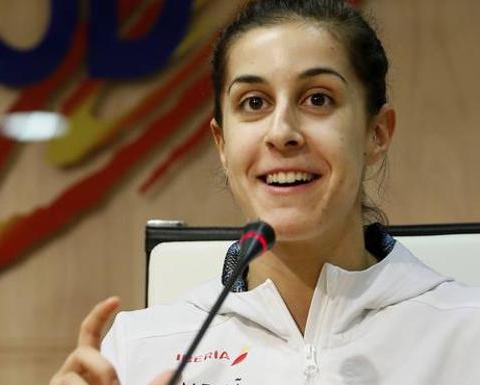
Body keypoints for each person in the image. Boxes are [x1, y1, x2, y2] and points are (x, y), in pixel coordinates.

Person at [50, 1, 480, 384]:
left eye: (317, 99)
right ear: (221, 144)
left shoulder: (467, 332)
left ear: (377, 132)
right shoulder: (139, 350)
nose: (282, 133)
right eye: (254, 103)